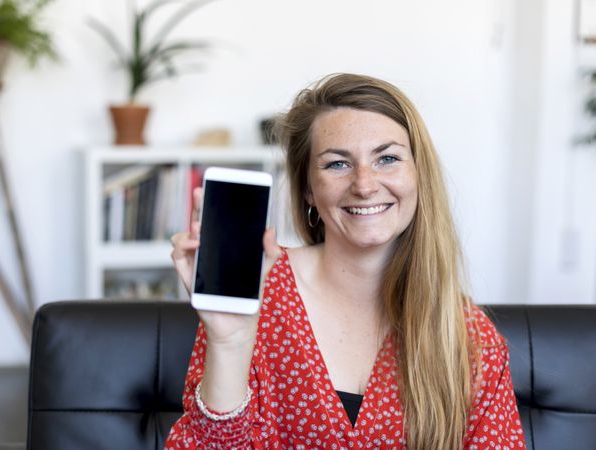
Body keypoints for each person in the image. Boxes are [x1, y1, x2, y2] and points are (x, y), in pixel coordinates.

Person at [166, 73, 526, 449]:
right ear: (307, 188)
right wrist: (230, 343)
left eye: (387, 159)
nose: (365, 185)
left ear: (418, 175)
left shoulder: (467, 336)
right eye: (338, 164)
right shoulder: (258, 289)